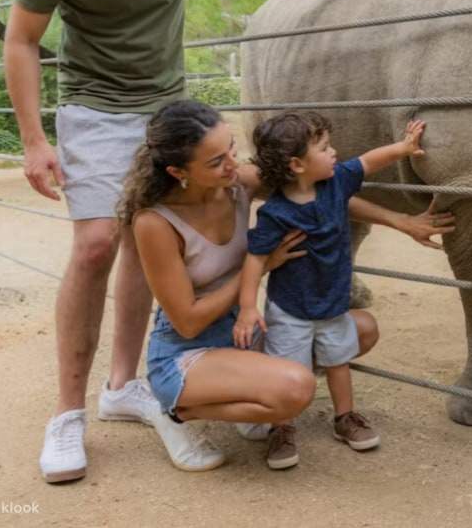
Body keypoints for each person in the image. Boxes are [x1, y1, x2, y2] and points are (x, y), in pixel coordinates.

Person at [4, 0, 425, 483]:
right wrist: (32, 139)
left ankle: (124, 387)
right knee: (93, 246)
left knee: (154, 241)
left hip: (169, 108)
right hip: (95, 106)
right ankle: (67, 414)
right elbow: (22, 40)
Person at [122, 100, 450, 474]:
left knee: (360, 329)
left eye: (230, 148)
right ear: (178, 171)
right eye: (215, 161)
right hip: (188, 352)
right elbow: (188, 322)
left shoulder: (236, 182)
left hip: (241, 336)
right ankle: (173, 412)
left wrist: (400, 220)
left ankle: (251, 391)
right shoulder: (154, 223)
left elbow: (322, 193)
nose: (233, 164)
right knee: (296, 390)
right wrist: (260, 268)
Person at [232, 110, 423, 469]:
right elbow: (255, 260)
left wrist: (404, 147)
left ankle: (345, 417)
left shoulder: (337, 183)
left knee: (338, 362)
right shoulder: (275, 214)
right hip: (290, 310)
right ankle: (282, 427)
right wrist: (247, 307)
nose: (334, 152)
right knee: (287, 370)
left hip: (333, 304)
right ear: (297, 164)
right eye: (324, 147)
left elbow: (368, 161)